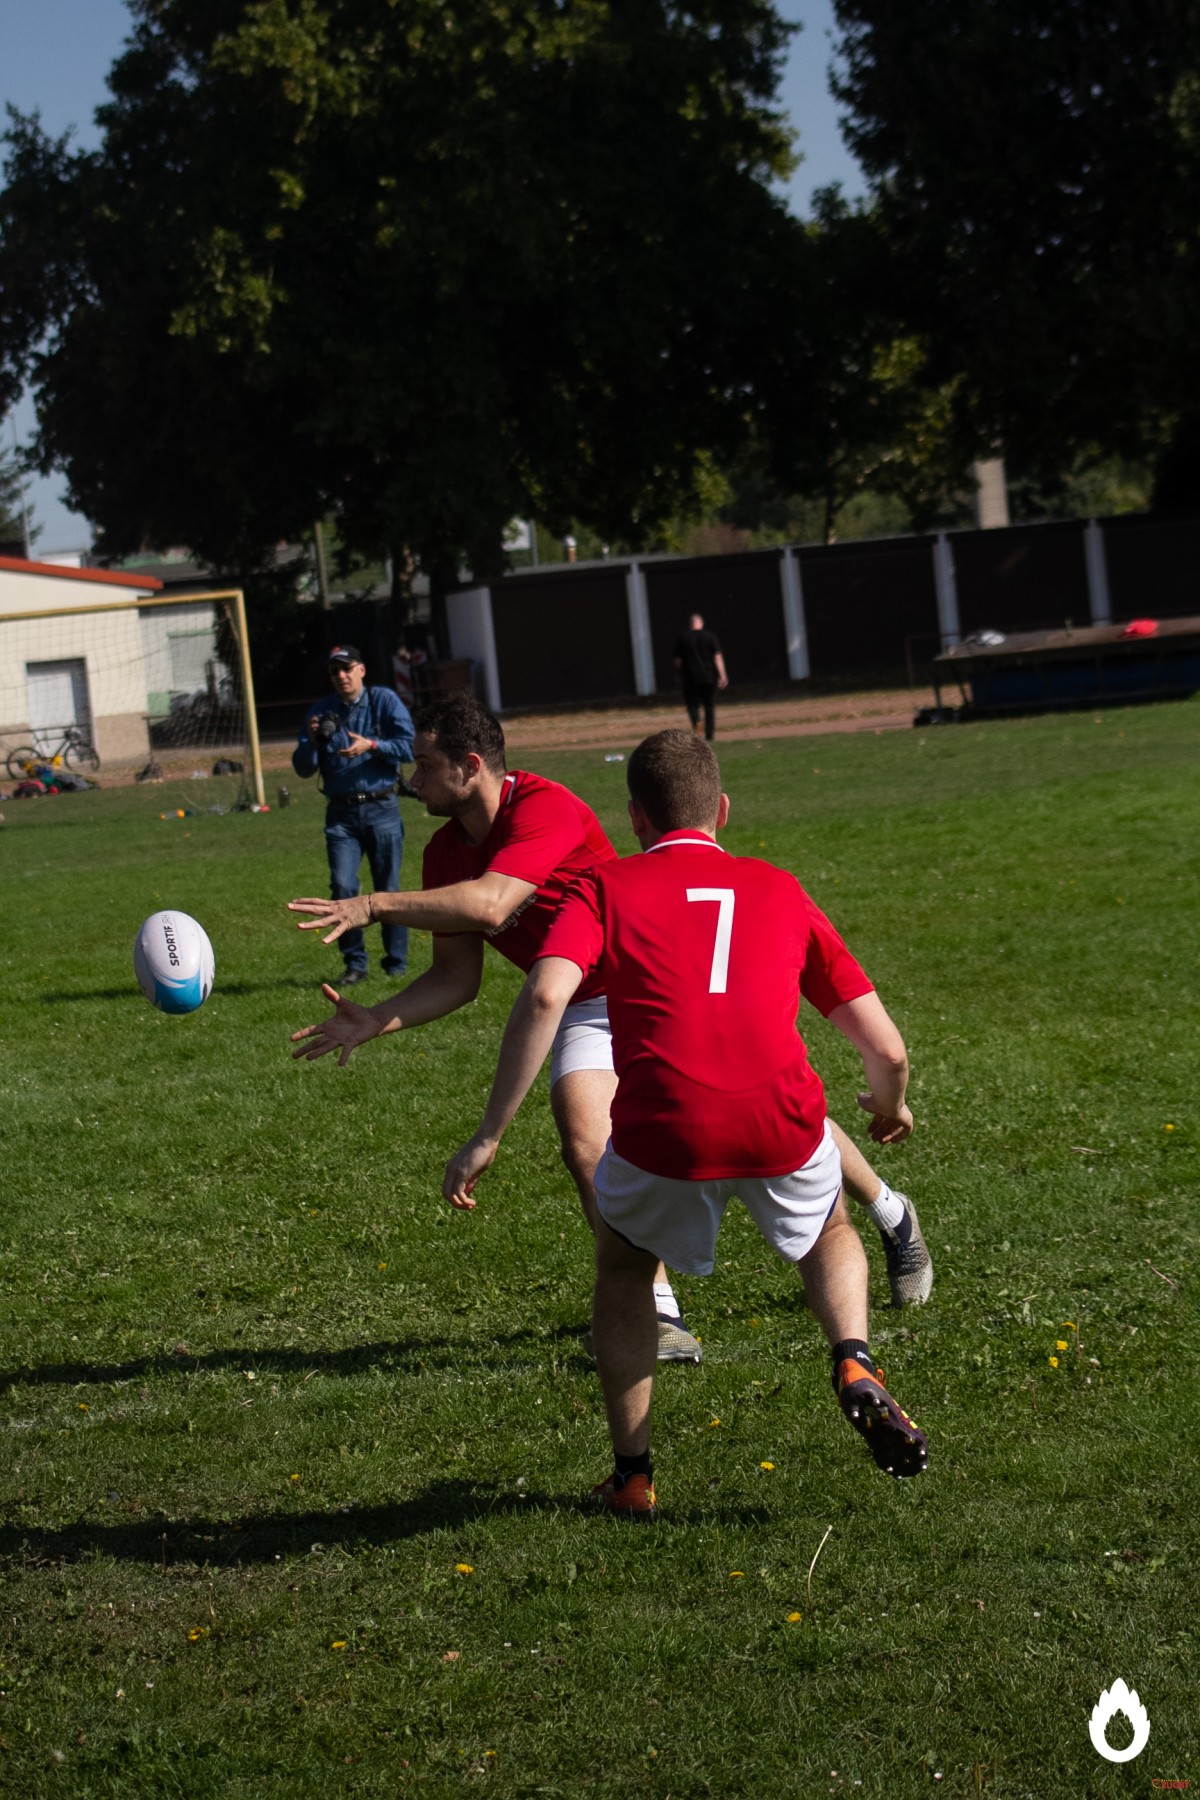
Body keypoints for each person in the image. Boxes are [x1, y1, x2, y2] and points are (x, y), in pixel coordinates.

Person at [443, 729, 928, 1517]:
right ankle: (853, 1358)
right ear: (723, 811)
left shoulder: (603, 888)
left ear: (634, 818)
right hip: (780, 1118)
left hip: (663, 1127)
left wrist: (489, 1132)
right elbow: (885, 1046)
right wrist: (890, 1101)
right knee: (830, 1230)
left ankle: (633, 1475)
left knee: (626, 1270)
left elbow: (542, 997)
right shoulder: (779, 886)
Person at [287, 690, 702, 1361]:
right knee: (586, 1148)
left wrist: (372, 903)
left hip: (655, 987)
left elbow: (490, 906)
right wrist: (376, 1021)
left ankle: (888, 1211)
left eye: (424, 766)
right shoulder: (445, 854)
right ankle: (655, 1310)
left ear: (470, 766)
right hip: (579, 1003)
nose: (411, 779)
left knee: (753, 1130)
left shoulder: (547, 807)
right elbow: (458, 976)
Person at [291, 645, 415, 987]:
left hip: (382, 807)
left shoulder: (384, 701)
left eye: (347, 668)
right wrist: (313, 742)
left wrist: (373, 746)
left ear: (361, 669)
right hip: (341, 814)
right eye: (335, 671)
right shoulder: (321, 712)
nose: (342, 676)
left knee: (387, 890)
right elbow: (302, 769)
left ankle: (396, 965)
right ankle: (355, 965)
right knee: (343, 886)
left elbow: (409, 746)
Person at [672, 611, 728, 740]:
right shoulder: (710, 637)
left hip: (690, 678)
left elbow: (677, 661)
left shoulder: (683, 638)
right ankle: (709, 734)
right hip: (709, 677)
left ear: (690, 624)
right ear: (701, 623)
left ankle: (698, 732)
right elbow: (718, 657)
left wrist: (678, 674)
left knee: (693, 707)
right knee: (709, 707)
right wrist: (722, 675)